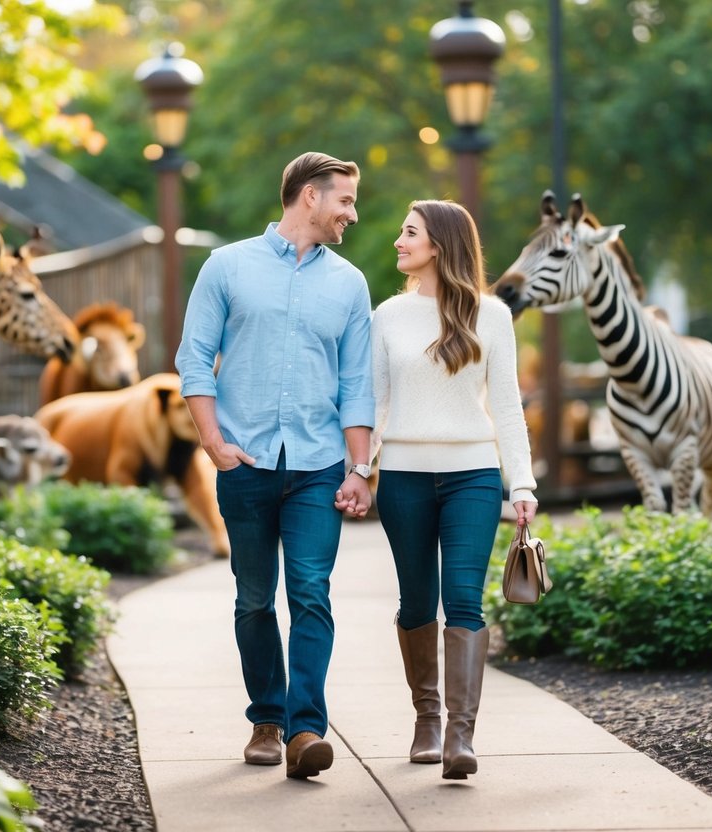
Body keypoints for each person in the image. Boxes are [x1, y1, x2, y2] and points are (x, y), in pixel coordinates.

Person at [175, 151, 375, 780]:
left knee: (311, 594)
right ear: (309, 197)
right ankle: (266, 716)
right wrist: (214, 443)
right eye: (344, 200)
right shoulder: (226, 267)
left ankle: (305, 728)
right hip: (247, 462)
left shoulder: (349, 283)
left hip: (318, 464)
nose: (352, 213)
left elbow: (357, 383)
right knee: (255, 598)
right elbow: (193, 358)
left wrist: (359, 467)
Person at [370, 199, 538, 780]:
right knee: (417, 601)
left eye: (408, 232)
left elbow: (509, 406)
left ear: (439, 244)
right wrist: (360, 468)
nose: (398, 240)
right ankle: (427, 721)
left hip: (473, 475)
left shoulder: (491, 316)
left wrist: (522, 481)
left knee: (464, 599)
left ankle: (460, 736)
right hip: (403, 478)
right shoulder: (387, 315)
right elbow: (376, 402)